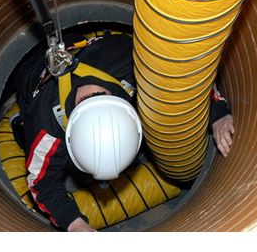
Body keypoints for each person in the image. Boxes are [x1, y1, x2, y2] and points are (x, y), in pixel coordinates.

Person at [12, 31, 234, 232]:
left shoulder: (130, 62)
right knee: (41, 149)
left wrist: (217, 113)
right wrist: (74, 224)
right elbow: (42, 182)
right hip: (29, 72)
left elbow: (185, 76)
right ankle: (18, 125)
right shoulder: (45, 126)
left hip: (91, 45)